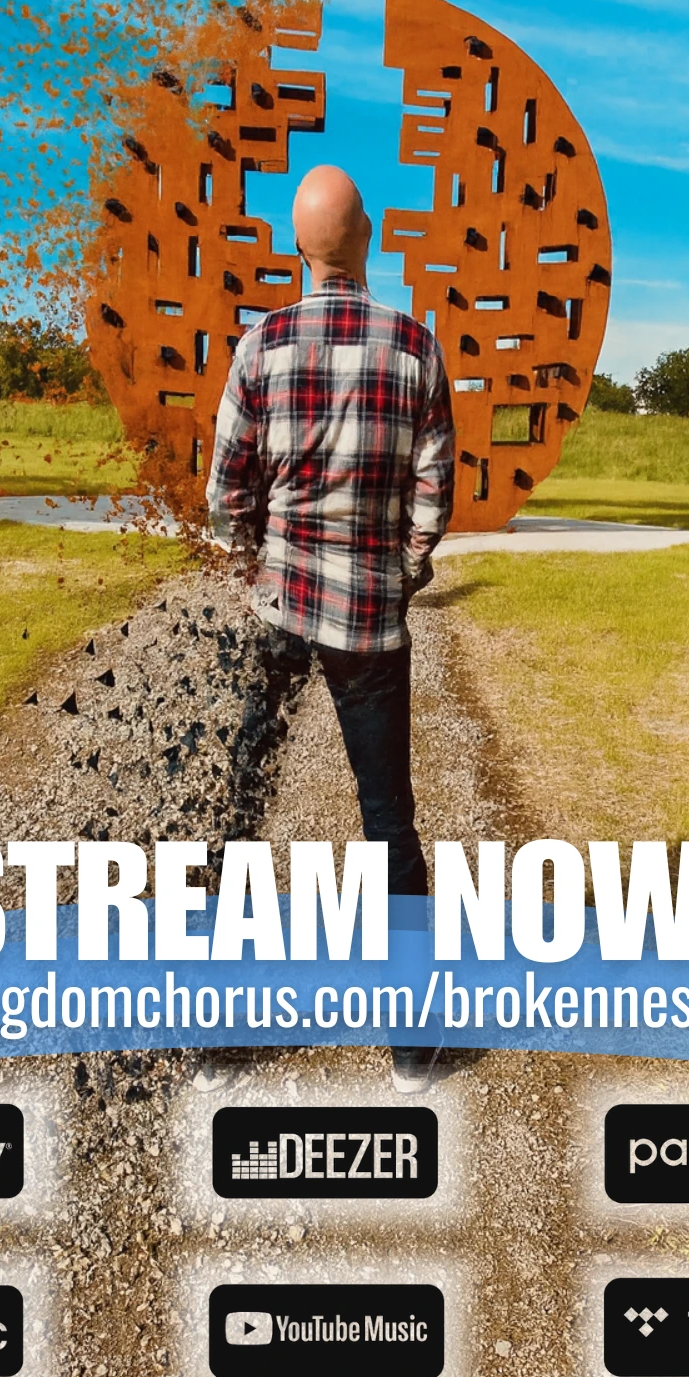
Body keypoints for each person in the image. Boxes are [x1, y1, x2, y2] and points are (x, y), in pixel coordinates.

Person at [206, 164, 455, 1092]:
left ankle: (220, 1036)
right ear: (371, 238)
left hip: (278, 607)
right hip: (369, 619)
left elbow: (226, 486)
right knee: (389, 817)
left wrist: (252, 562)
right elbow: (435, 492)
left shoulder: (260, 345)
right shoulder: (414, 346)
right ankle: (409, 1044)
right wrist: (401, 570)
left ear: (298, 247)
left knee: (241, 806)